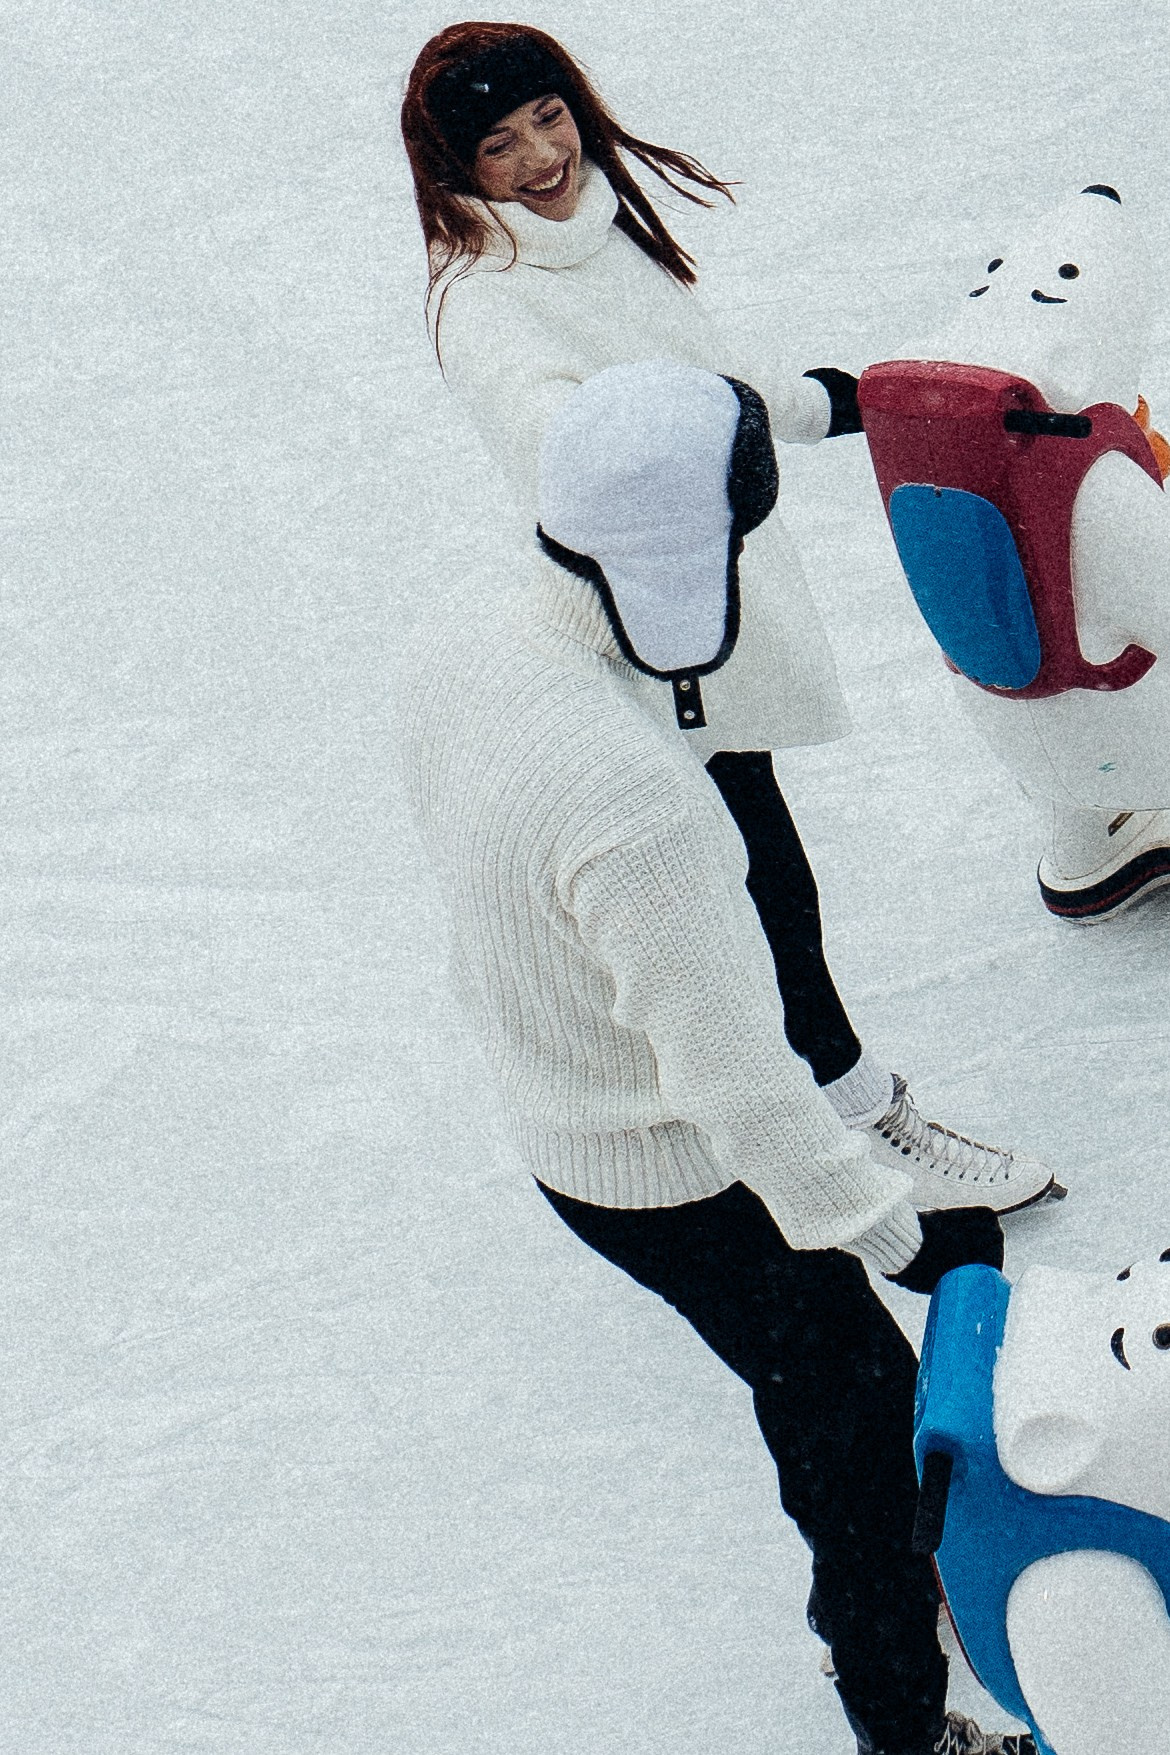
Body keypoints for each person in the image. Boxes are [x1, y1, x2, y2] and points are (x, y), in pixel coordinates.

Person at [399, 24, 1047, 1755]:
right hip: (651, 1161)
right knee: (848, 1408)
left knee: (762, 935)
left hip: (572, 1103)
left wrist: (849, 400)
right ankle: (906, 1721)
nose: (539, 157)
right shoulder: (644, 802)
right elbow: (727, 1081)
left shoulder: (482, 640)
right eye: (504, 141)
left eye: (552, 118)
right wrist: (896, 1229)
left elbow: (663, 419)